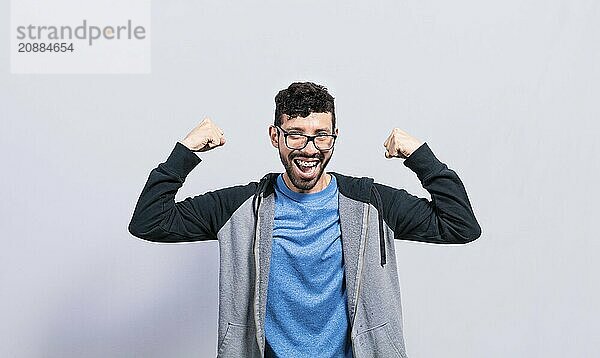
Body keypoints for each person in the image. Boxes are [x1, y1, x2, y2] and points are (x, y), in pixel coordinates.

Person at [128, 81, 482, 358]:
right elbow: (149, 220)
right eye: (296, 135)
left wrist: (419, 155)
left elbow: (460, 224)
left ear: (334, 138)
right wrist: (186, 150)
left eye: (321, 137)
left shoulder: (371, 203)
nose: (309, 149)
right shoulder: (240, 207)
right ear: (275, 136)